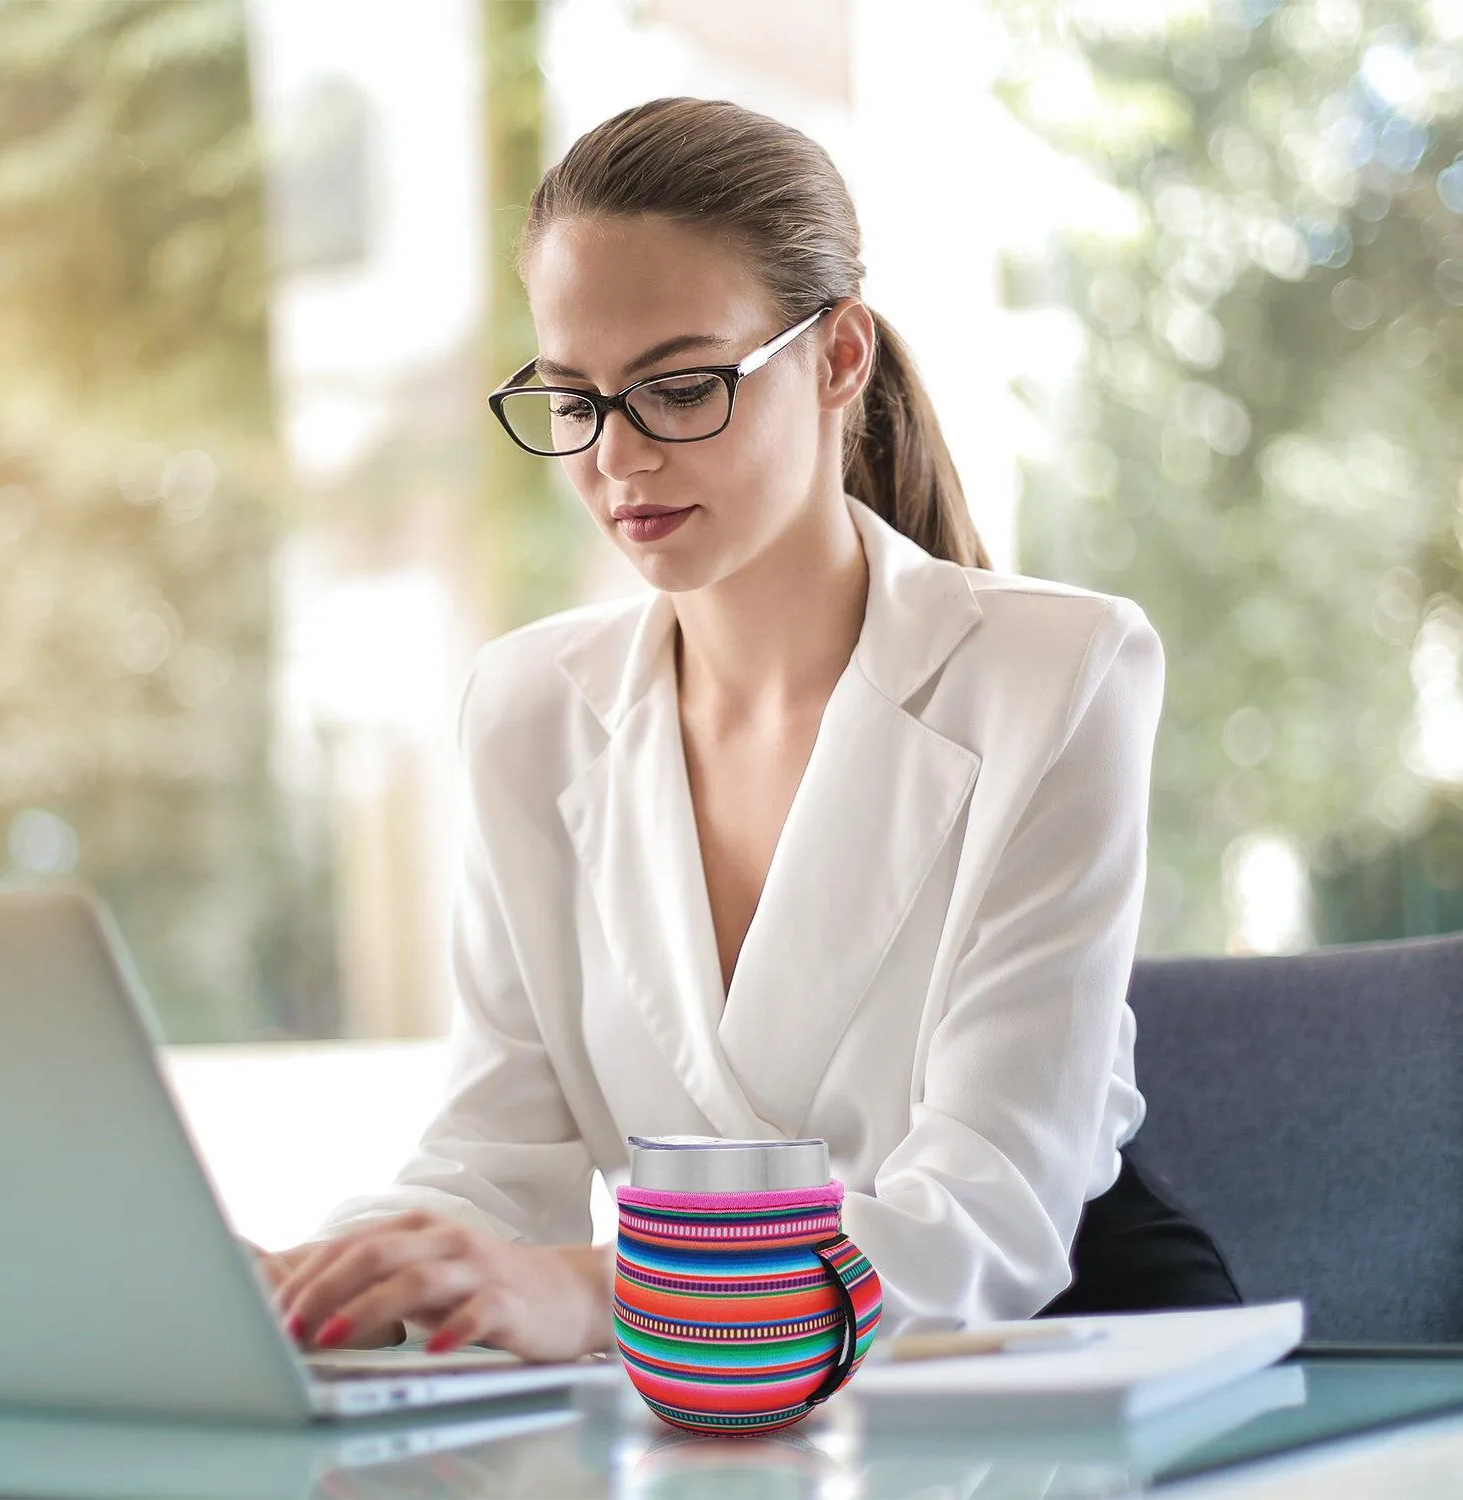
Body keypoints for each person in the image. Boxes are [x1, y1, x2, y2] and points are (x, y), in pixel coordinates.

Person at [263, 96, 1238, 1361]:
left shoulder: (1060, 671)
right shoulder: (529, 708)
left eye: (678, 387)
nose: (617, 458)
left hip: (1046, 1351)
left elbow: (984, 1221)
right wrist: (318, 1283)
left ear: (839, 359)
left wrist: (596, 1294)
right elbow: (492, 1160)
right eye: (574, 397)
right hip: (702, 1381)